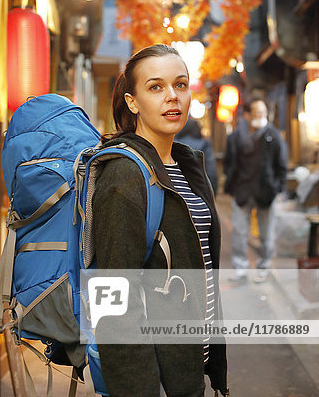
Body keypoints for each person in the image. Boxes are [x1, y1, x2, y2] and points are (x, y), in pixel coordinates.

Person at [92, 44, 228, 397]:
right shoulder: (125, 176)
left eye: (180, 85)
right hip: (157, 381)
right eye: (156, 87)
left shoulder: (185, 167)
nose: (173, 97)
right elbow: (113, 302)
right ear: (132, 101)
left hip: (190, 367)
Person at [223, 97, 288, 284]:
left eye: (263, 113)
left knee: (267, 233)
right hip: (242, 190)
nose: (260, 116)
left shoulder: (273, 136)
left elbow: (281, 164)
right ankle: (240, 268)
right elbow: (229, 163)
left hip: (266, 191)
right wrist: (232, 182)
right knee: (239, 232)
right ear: (247, 115)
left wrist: (277, 187)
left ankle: (264, 266)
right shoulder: (235, 137)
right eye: (257, 113)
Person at [175, 119, 218, 194]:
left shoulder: (173, 144)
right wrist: (212, 193)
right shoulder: (204, 144)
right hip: (199, 191)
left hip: (176, 191)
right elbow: (211, 171)